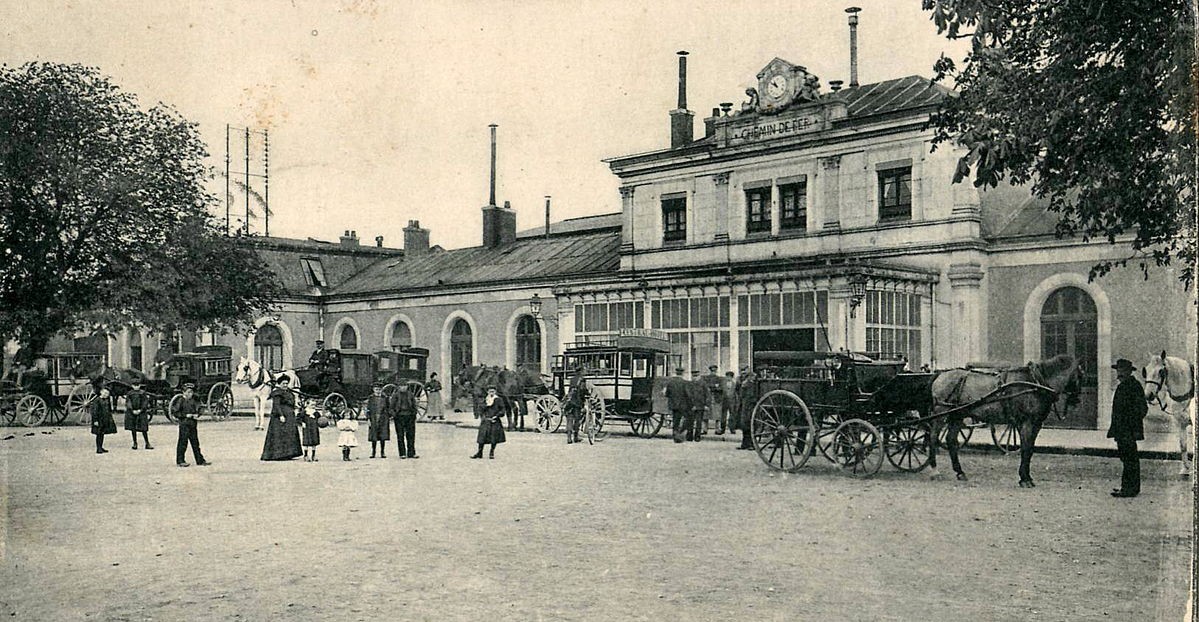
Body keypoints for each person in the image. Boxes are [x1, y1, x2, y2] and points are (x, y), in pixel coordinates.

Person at [1108, 358, 1148, 498]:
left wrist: (1129, 424)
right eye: (1118, 370)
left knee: (1130, 459)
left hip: (1128, 430)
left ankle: (1129, 489)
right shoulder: (1123, 386)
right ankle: (1128, 487)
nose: (1119, 373)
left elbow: (1142, 409)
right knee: (1126, 459)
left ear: (1129, 372)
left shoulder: (1134, 386)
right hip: (1122, 430)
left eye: (1122, 370)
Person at [261, 375, 302, 461]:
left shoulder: (289, 392)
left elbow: (291, 402)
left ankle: (289, 453)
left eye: (287, 383)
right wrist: (281, 415)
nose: (285, 385)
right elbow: (276, 405)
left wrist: (296, 406)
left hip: (290, 417)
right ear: (279, 384)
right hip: (280, 418)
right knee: (279, 435)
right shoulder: (277, 393)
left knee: (289, 434)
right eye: (283, 383)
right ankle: (278, 455)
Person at [172, 382, 210, 467]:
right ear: (183, 392)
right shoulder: (180, 401)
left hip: (193, 424)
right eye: (188, 392)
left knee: (195, 443)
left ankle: (200, 460)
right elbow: (175, 412)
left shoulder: (194, 400)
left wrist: (197, 415)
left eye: (191, 392)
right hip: (184, 424)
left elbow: (200, 408)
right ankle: (180, 460)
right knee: (182, 443)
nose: (190, 394)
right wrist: (185, 415)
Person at [471, 386, 506, 459]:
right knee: (482, 437)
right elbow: (480, 409)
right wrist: (483, 416)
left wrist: (497, 416)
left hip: (495, 421)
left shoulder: (498, 400)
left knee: (494, 438)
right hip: (486, 420)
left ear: (495, 392)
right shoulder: (485, 399)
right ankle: (479, 452)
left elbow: (502, 410)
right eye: (490, 391)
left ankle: (491, 452)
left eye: (493, 391)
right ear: (487, 392)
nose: (491, 393)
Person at [563, 365, 590, 445]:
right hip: (577, 402)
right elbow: (582, 390)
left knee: (569, 419)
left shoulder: (572, 379)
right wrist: (587, 395)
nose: (585, 372)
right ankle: (575, 437)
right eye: (584, 370)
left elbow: (569, 390)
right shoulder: (582, 379)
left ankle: (568, 438)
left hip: (570, 401)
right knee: (577, 419)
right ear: (581, 371)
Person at [391, 383, 419, 459]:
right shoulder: (395, 395)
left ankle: (411, 453)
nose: (403, 387)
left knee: (411, 435)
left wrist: (414, 413)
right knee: (400, 436)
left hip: (410, 416)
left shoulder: (411, 395)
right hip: (399, 417)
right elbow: (391, 407)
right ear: (399, 387)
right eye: (401, 386)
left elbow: (414, 405)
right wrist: (394, 415)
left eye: (405, 386)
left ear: (407, 387)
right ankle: (402, 453)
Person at [665, 367, 692, 444]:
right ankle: (681, 433)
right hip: (683, 405)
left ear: (676, 373)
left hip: (673, 404)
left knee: (675, 420)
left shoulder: (670, 382)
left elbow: (667, 394)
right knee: (688, 418)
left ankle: (675, 435)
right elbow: (688, 394)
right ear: (682, 373)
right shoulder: (685, 383)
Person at [124, 378, 153, 450]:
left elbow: (145, 402)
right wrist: (132, 409)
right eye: (134, 385)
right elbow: (128, 402)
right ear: (132, 386)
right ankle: (135, 443)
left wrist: (141, 409)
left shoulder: (143, 393)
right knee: (133, 428)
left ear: (140, 385)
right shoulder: (129, 393)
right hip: (132, 413)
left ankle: (147, 443)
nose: (136, 387)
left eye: (137, 385)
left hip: (141, 413)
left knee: (144, 429)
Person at [735, 367, 759, 450]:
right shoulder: (743, 382)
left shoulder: (751, 384)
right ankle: (744, 444)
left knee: (750, 425)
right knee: (744, 426)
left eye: (745, 373)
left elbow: (752, 396)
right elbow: (739, 392)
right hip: (744, 406)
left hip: (750, 407)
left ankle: (752, 444)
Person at [365, 382, 390, 459]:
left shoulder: (385, 398)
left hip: (383, 418)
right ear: (373, 390)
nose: (378, 391)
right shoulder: (371, 398)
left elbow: (388, 408)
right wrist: (368, 419)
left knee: (383, 436)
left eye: (379, 389)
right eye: (376, 389)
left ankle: (382, 452)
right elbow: (368, 409)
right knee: (374, 437)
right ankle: (373, 452)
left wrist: (388, 416)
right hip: (373, 418)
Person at [90, 384, 117, 454]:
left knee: (102, 433)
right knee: (99, 434)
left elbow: (109, 410)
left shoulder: (107, 400)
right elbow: (94, 411)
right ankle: (98, 448)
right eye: (104, 393)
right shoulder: (97, 400)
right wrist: (95, 420)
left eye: (107, 393)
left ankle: (101, 447)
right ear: (101, 392)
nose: (106, 394)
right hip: (99, 419)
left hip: (105, 419)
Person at [701, 365, 724, 434]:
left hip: (716, 398)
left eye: (714, 371)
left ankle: (717, 429)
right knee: (706, 414)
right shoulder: (706, 378)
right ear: (710, 371)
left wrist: (712, 387)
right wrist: (715, 386)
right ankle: (705, 429)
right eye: (712, 371)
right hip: (708, 399)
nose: (713, 373)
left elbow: (721, 388)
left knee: (717, 415)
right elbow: (705, 387)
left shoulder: (719, 379)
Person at [687, 371, 710, 442]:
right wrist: (691, 405)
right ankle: (689, 436)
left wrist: (706, 405)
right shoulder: (690, 384)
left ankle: (697, 436)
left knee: (699, 422)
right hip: (691, 406)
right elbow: (688, 395)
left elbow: (708, 395)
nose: (694, 378)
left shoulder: (703, 384)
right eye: (693, 376)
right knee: (690, 421)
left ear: (699, 376)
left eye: (696, 376)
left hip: (700, 405)